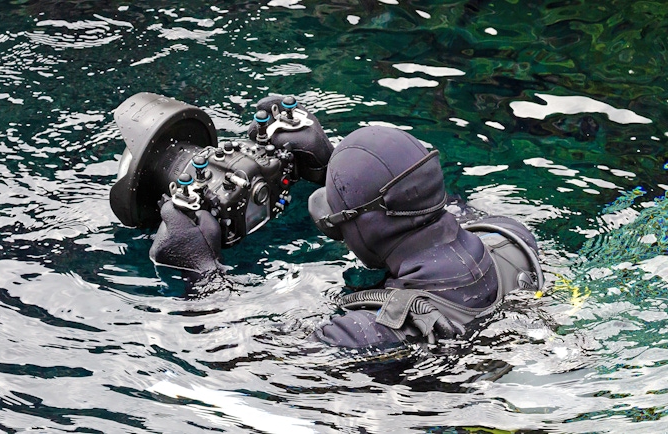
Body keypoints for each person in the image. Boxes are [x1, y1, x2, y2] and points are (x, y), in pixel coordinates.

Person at [149, 97, 543, 349]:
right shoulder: (511, 237)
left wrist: (197, 273)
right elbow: (425, 196)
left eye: (336, 218)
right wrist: (335, 164)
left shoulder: (366, 335)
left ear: (365, 229)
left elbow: (242, 358)